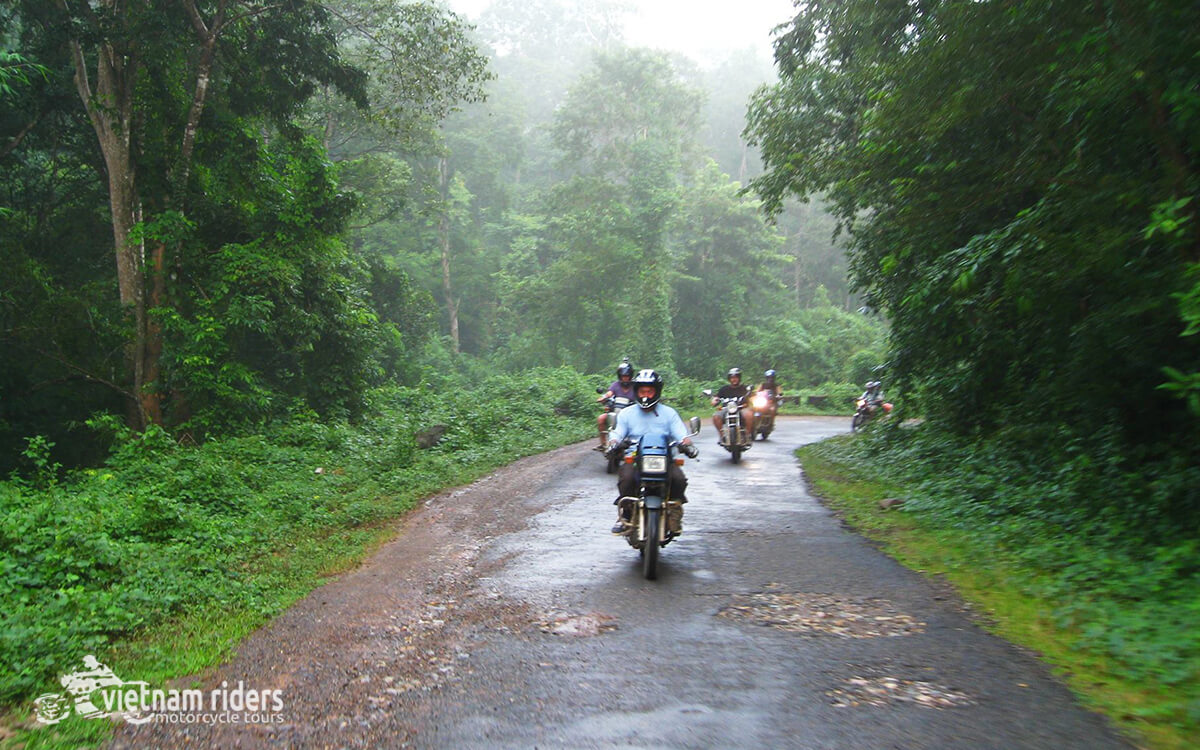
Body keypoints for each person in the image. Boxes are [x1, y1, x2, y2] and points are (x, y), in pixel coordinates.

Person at [608, 369, 698, 534]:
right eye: (642, 391)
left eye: (650, 391)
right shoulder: (627, 413)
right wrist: (614, 442)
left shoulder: (669, 413)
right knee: (626, 478)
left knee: (678, 479)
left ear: (657, 392)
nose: (646, 395)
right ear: (636, 391)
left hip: (664, 458)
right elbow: (617, 432)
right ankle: (626, 515)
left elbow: (681, 434)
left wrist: (687, 444)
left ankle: (674, 511)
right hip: (636, 457)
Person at [595, 361, 636, 450]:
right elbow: (610, 393)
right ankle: (603, 444)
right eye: (623, 376)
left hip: (630, 413)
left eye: (627, 376)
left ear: (630, 376)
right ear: (620, 376)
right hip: (615, 412)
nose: (625, 378)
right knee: (601, 419)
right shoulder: (615, 385)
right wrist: (604, 397)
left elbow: (641, 395)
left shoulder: (635, 386)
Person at [711, 367, 755, 439]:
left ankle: (748, 434)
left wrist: (751, 399)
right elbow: (717, 397)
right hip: (726, 409)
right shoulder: (724, 389)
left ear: (739, 378)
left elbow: (752, 396)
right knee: (716, 416)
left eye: (736, 377)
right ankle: (722, 436)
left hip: (741, 408)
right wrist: (714, 400)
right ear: (729, 379)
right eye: (732, 378)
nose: (734, 379)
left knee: (749, 414)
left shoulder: (745, 388)